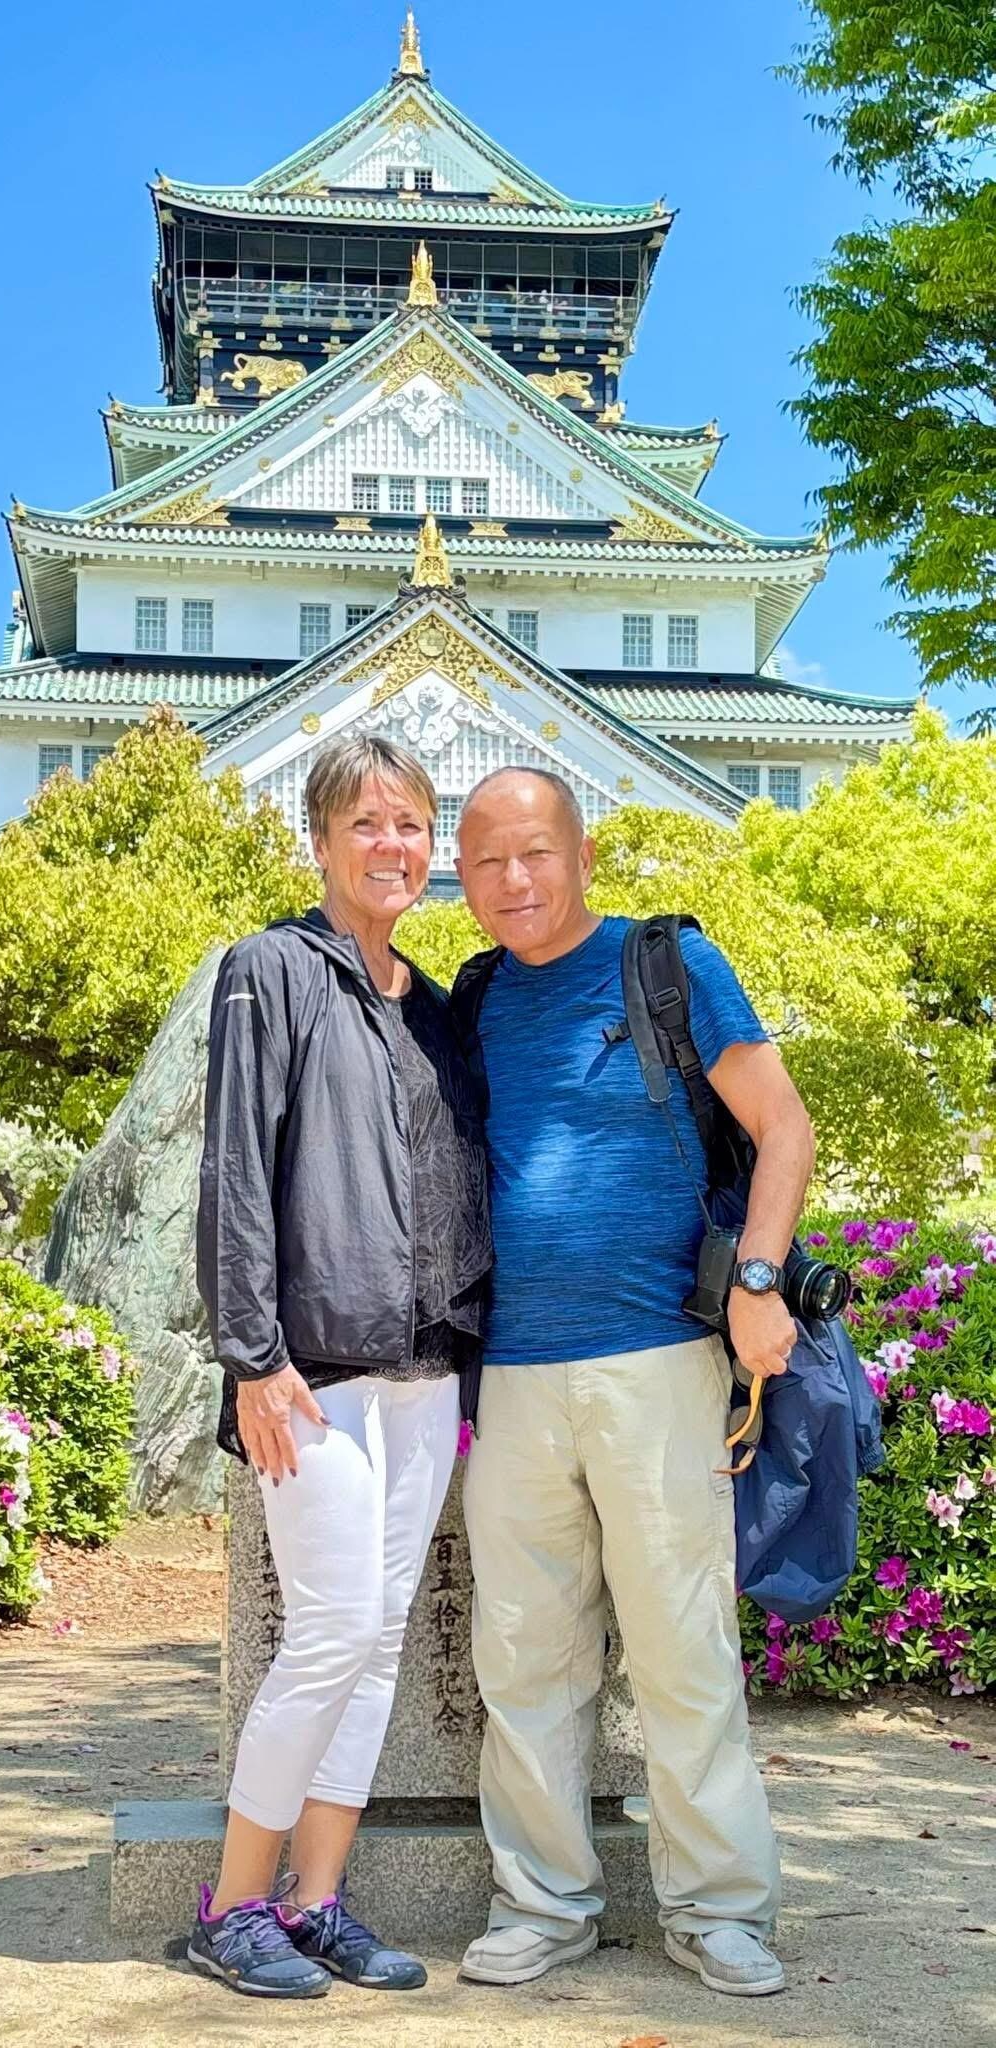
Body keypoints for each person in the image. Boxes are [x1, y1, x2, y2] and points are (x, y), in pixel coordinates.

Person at [451, 766, 815, 1998]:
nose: (514, 878)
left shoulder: (668, 966)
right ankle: (542, 1903)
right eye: (487, 859)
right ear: (465, 874)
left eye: (535, 851)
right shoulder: (477, 996)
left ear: (583, 854)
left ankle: (719, 1910)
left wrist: (757, 1275)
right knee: (525, 1655)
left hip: (658, 1358)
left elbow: (784, 1124)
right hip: (513, 1376)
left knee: (681, 1650)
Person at [190, 736, 491, 2001]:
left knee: (377, 1642)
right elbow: (235, 1170)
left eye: (411, 823)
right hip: (309, 1372)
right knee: (331, 1632)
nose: (391, 844)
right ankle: (229, 1904)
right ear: (319, 840)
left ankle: (315, 1899)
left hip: (427, 1370)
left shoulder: (439, 1006)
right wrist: (252, 1357)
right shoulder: (269, 969)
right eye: (365, 822)